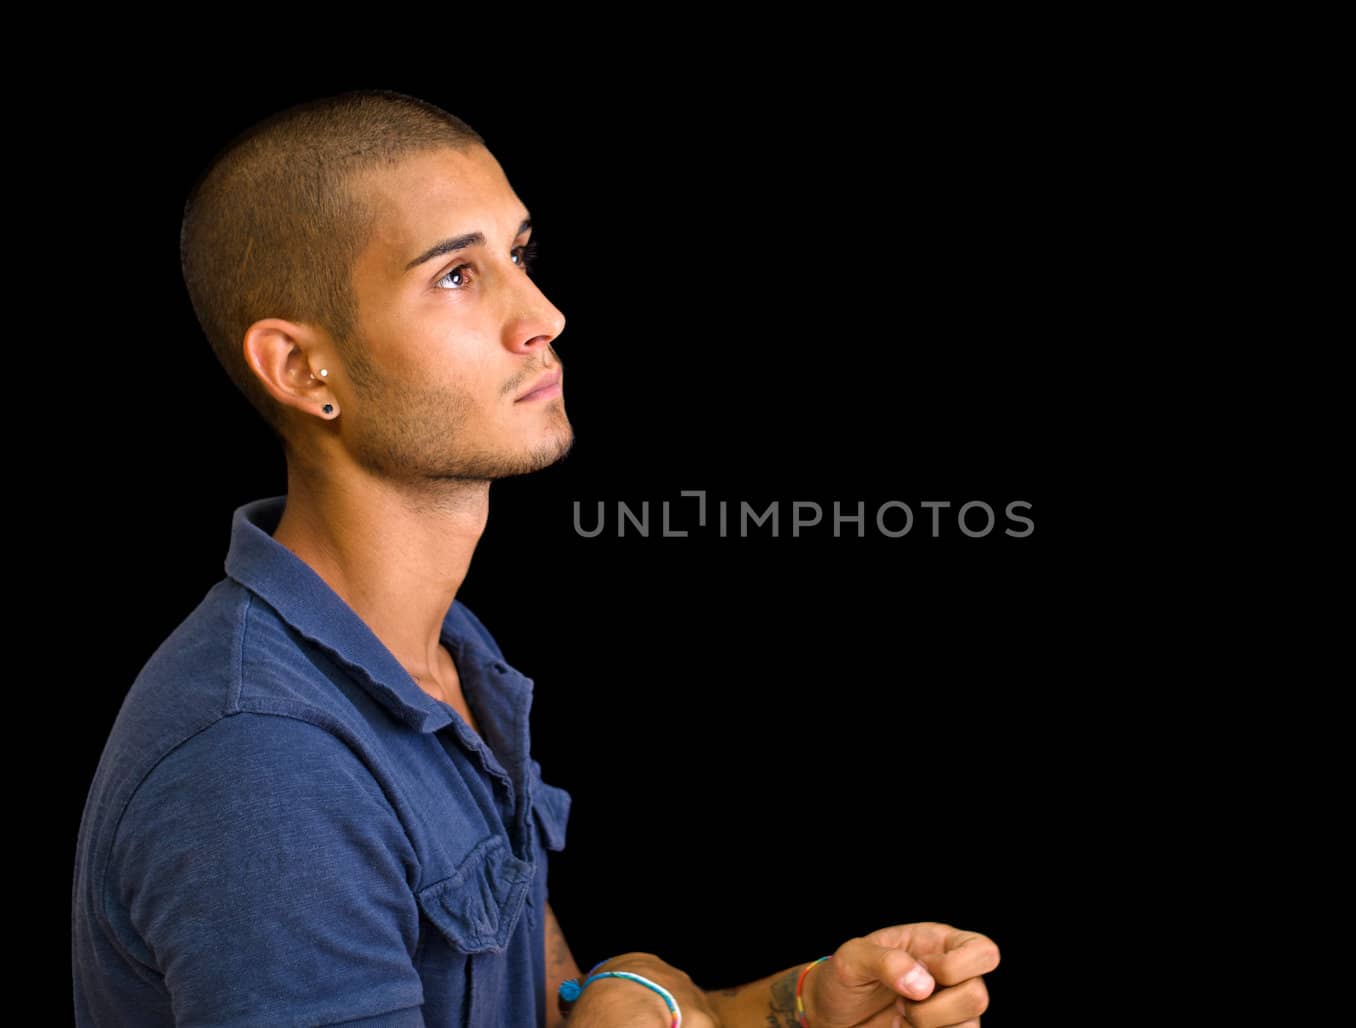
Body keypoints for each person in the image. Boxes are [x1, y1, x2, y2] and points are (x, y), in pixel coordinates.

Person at [70, 88, 999, 1027]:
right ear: (302, 368)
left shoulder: (439, 659)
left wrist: (793, 1010)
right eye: (455, 277)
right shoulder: (265, 767)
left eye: (517, 255)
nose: (544, 315)